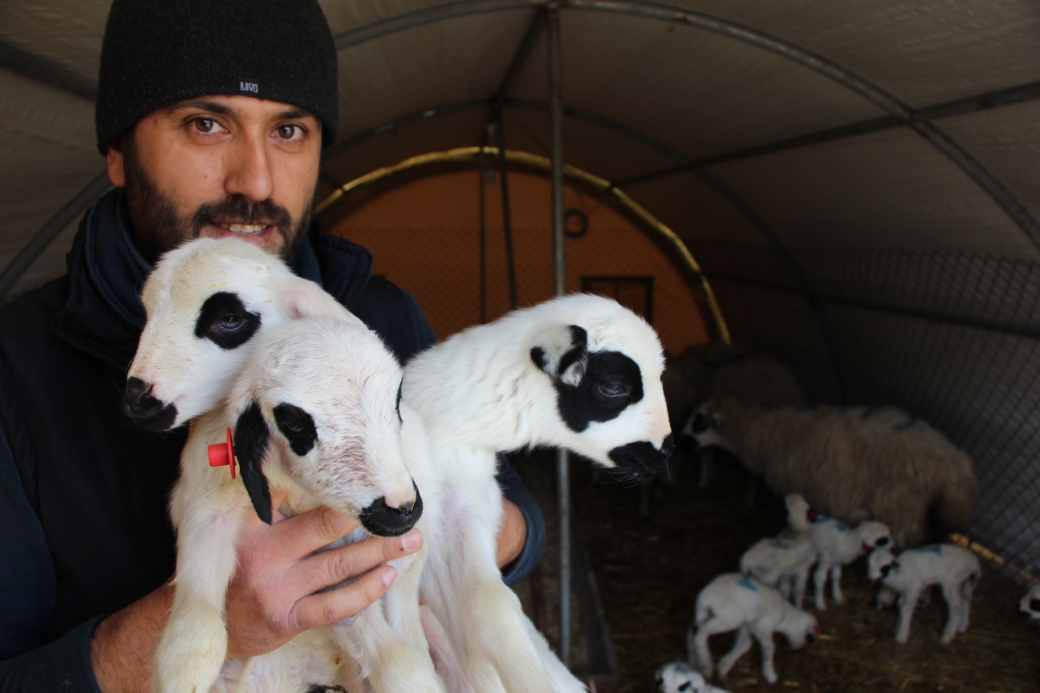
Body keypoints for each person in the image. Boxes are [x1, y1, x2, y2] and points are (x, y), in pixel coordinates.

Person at [0, 0, 545, 690]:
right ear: (117, 152)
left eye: (289, 129)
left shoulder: (380, 316)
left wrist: (455, 531)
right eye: (206, 124)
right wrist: (203, 617)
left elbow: (512, 509)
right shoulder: (18, 369)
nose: (254, 180)